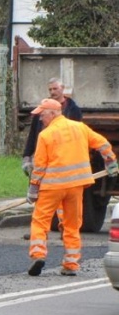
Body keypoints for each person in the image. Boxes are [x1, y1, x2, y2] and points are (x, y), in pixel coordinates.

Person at [26, 98, 119, 276]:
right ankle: (71, 264)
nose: (40, 119)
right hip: (76, 186)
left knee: (40, 221)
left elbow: (39, 167)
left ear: (53, 114)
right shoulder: (80, 128)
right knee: (72, 224)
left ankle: (38, 255)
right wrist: (111, 162)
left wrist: (33, 189)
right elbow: (103, 144)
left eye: (42, 114)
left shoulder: (46, 135)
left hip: (52, 186)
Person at [21, 78, 82, 176]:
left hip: (63, 156)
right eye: (50, 89)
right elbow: (33, 135)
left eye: (55, 89)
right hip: (42, 154)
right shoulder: (41, 109)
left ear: (62, 88)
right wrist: (27, 157)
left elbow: (76, 136)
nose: (52, 92)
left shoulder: (73, 110)